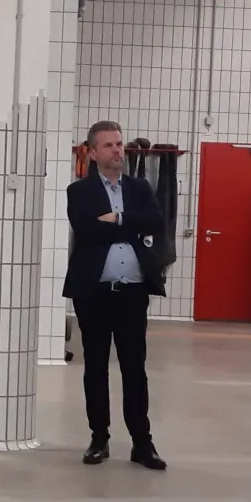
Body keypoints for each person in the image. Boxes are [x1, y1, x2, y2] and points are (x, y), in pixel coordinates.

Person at [63, 120, 168, 470]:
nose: (117, 150)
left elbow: (156, 222)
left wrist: (118, 219)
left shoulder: (139, 188)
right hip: (94, 293)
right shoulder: (79, 191)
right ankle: (99, 438)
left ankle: (142, 443)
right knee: (95, 368)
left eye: (119, 144)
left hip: (132, 294)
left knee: (134, 369)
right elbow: (87, 230)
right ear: (92, 152)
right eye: (108, 145)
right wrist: (130, 225)